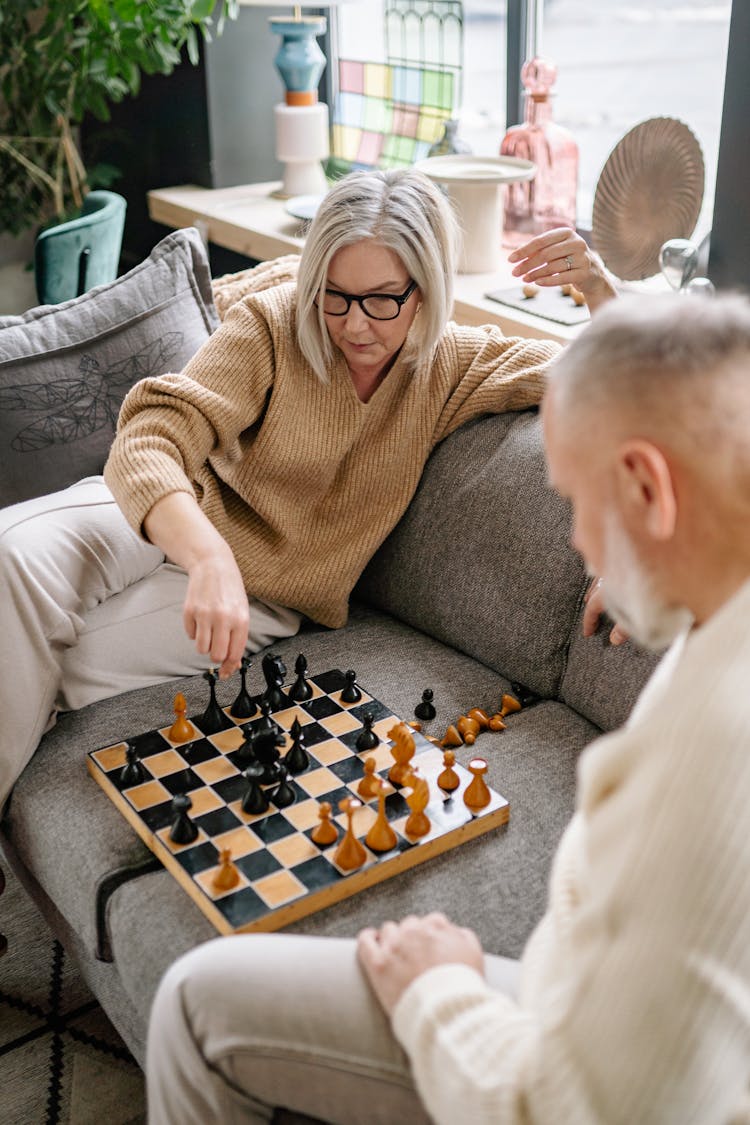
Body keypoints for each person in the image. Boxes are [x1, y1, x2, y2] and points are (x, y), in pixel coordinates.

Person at [146, 291, 750, 1124]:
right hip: (621, 1023)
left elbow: (568, 1110)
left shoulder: (707, 772)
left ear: (649, 486)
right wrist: (658, 560)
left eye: (579, 503)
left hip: (568, 1067)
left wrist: (438, 989)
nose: (577, 542)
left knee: (192, 995)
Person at [0, 168, 614, 810]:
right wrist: (207, 555)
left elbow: (616, 383)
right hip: (164, 509)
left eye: (382, 299)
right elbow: (151, 436)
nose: (353, 326)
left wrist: (600, 289)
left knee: (48, 670)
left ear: (427, 292)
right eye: (334, 295)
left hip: (264, 594)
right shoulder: (273, 324)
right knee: (12, 558)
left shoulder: (454, 366)